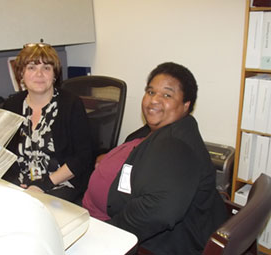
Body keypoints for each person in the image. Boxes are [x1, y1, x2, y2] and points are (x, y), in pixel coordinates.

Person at [82, 62, 227, 254]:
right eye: (150, 92)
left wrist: (108, 234)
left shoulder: (176, 147)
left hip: (152, 243)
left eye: (167, 95)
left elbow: (157, 213)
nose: (154, 100)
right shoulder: (161, 129)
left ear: (186, 105)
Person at [2, 43, 93, 202]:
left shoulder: (71, 104)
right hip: (22, 185)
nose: (39, 74)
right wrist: (18, 183)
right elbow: (5, 152)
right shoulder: (12, 105)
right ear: (21, 73)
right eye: (31, 68)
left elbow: (82, 157)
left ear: (54, 74)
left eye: (46, 68)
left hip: (59, 184)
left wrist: (42, 185)